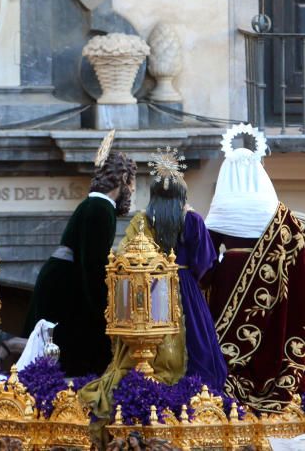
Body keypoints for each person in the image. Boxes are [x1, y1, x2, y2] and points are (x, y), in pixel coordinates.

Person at [80, 147, 227, 419]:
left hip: (153, 292)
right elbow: (205, 263)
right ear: (182, 194)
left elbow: (125, 256)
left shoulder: (142, 220)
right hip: (187, 291)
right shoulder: (192, 220)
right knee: (197, 351)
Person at [206, 124, 305, 414]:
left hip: (228, 278)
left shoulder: (223, 203)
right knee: (270, 333)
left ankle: (233, 386)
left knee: (229, 340)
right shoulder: (275, 210)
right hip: (273, 285)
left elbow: (206, 253)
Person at [24, 130, 137, 377]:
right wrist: (107, 310)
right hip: (66, 288)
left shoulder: (94, 205)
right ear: (123, 179)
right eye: (131, 182)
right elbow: (94, 265)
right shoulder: (100, 208)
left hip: (64, 281)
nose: (132, 189)